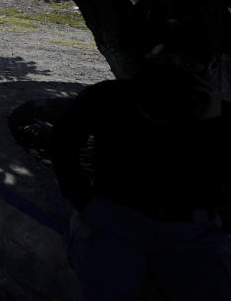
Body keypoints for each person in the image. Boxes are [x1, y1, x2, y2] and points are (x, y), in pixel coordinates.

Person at [50, 22, 231, 300]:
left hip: (193, 235)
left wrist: (211, 123)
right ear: (150, 57)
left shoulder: (216, 116)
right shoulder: (109, 97)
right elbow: (63, 140)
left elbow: (217, 177)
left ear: (206, 69)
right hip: (114, 224)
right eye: (168, 57)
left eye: (189, 63)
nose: (176, 68)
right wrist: (81, 198)